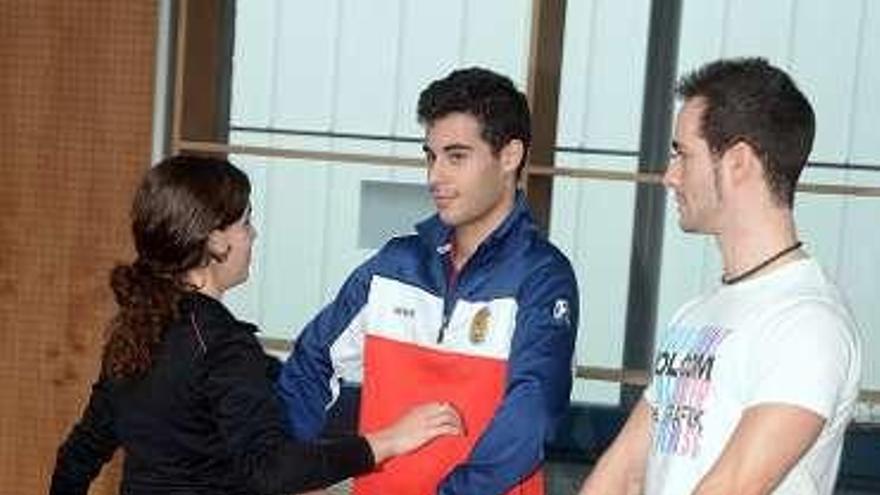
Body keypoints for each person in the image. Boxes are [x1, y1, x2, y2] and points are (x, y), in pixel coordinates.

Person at [50, 155, 462, 495]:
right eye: (245, 223)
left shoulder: (135, 331)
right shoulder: (221, 345)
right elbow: (272, 471)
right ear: (215, 241)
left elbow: (78, 457)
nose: (254, 234)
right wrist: (388, 441)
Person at [277, 67, 579, 494]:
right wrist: (290, 467)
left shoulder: (542, 277)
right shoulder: (394, 266)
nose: (435, 176)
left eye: (456, 157)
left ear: (509, 156)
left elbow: (532, 412)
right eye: (431, 156)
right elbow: (311, 363)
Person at [579, 57, 862, 495]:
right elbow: (625, 470)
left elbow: (732, 486)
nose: (668, 177)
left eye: (681, 154)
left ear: (738, 163)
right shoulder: (695, 315)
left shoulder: (808, 323)